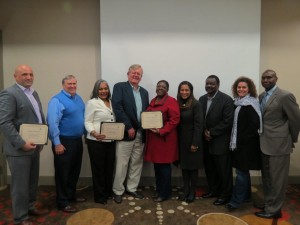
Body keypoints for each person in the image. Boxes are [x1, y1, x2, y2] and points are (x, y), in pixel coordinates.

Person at [0, 64, 49, 225]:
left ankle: (30, 207)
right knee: (20, 185)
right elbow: (4, 122)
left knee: (31, 182)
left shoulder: (33, 93)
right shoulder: (9, 93)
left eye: (31, 74)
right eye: (24, 74)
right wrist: (21, 143)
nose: (28, 77)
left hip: (34, 146)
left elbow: (38, 118)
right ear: (15, 76)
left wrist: (42, 139)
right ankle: (20, 217)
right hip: (19, 149)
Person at [254, 69, 300, 219]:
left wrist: (290, 140)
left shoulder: (285, 96)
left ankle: (274, 210)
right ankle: (269, 203)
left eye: (269, 77)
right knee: (267, 178)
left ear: (276, 78)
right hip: (264, 144)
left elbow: (295, 120)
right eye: (263, 78)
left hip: (279, 145)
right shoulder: (261, 96)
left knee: (277, 180)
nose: (266, 80)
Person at [47, 75, 86, 213]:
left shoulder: (78, 98)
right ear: (63, 85)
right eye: (69, 84)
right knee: (63, 173)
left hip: (77, 140)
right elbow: (52, 123)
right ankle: (62, 202)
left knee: (74, 171)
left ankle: (70, 196)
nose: (72, 86)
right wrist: (57, 143)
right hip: (63, 142)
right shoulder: (56, 100)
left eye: (74, 83)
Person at [111, 64, 149, 204]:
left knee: (136, 163)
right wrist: (128, 126)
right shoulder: (119, 87)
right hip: (127, 133)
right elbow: (118, 107)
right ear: (128, 74)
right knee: (122, 163)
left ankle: (132, 188)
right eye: (133, 72)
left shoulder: (144, 92)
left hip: (140, 132)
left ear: (141, 76)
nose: (136, 75)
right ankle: (118, 190)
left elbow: (146, 113)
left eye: (138, 73)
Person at [225, 77, 262, 211]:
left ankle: (235, 202)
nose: (241, 89)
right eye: (239, 87)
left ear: (249, 89)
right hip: (238, 145)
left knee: (241, 174)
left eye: (244, 87)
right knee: (243, 172)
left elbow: (254, 126)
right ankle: (246, 196)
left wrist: (240, 140)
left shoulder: (250, 104)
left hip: (247, 146)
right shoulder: (238, 103)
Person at [199, 75, 234, 206]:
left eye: (212, 84)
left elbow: (228, 121)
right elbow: (199, 118)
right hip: (206, 141)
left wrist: (212, 132)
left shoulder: (226, 100)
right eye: (207, 83)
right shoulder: (202, 99)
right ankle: (214, 190)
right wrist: (204, 131)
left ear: (218, 85)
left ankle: (226, 195)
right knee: (210, 168)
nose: (209, 86)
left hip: (221, 142)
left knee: (223, 170)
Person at [144, 80, 180, 202]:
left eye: (163, 86)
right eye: (158, 86)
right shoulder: (153, 101)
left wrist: (162, 130)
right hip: (154, 141)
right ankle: (159, 190)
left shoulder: (171, 101)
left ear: (167, 89)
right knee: (157, 168)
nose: (160, 88)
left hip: (165, 140)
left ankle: (165, 193)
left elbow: (175, 120)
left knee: (164, 168)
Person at [84, 79, 116, 204]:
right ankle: (100, 196)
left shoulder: (111, 102)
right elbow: (87, 121)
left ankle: (108, 192)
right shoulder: (92, 103)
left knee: (109, 168)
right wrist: (94, 133)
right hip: (96, 141)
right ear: (96, 90)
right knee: (98, 169)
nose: (103, 91)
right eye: (100, 89)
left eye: (105, 88)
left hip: (111, 140)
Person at [177, 81, 204, 203]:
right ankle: (186, 190)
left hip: (193, 141)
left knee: (193, 169)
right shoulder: (178, 103)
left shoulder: (196, 104)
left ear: (191, 91)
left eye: (186, 90)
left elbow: (199, 125)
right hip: (181, 142)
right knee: (184, 167)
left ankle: (192, 192)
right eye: (182, 90)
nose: (184, 92)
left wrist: (195, 143)